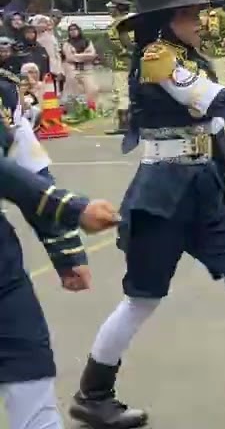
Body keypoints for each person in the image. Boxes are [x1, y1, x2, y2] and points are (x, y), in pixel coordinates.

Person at [70, 0, 225, 429]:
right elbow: (216, 102)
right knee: (142, 299)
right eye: (187, 14)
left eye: (197, 12)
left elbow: (214, 132)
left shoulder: (188, 58)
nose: (199, 21)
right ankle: (92, 392)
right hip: (163, 193)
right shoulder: (158, 59)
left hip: (203, 189)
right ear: (164, 21)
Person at [0, 132, 122, 429]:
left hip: (4, 271)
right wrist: (72, 208)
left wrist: (66, 251)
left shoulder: (5, 91)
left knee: (31, 371)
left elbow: (28, 167)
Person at [105, 0, 133, 136]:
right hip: (133, 63)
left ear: (118, 9)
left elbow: (116, 45)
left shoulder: (116, 25)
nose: (110, 10)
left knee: (121, 93)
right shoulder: (131, 22)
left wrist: (125, 52)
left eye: (111, 8)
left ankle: (124, 124)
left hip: (121, 64)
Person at [199, 0, 225, 93]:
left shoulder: (214, 14)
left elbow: (214, 32)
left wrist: (202, 33)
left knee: (220, 80)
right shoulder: (224, 13)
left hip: (216, 51)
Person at [62, 23, 99, 105]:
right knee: (73, 91)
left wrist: (76, 55)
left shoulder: (87, 41)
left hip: (87, 70)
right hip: (73, 70)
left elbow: (92, 55)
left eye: (75, 29)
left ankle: (91, 107)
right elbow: (69, 57)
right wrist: (84, 55)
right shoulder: (67, 44)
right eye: (70, 30)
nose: (73, 31)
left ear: (79, 30)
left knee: (92, 89)